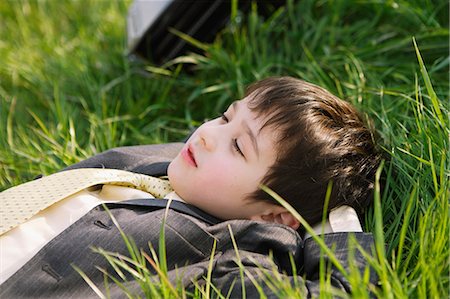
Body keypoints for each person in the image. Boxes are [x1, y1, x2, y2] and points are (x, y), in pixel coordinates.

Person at [0, 76, 381, 298]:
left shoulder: (228, 255)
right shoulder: (170, 166)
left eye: (238, 146)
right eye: (224, 117)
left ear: (273, 213)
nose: (209, 135)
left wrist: (333, 228)